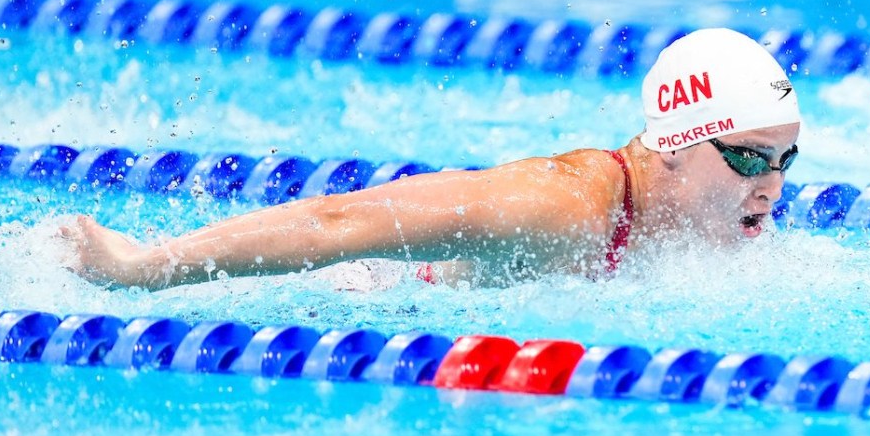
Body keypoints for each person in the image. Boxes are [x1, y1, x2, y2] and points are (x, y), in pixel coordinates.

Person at [61, 28, 801, 290]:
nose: (771, 186)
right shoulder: (562, 207)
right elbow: (335, 220)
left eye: (785, 161)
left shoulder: (705, 231)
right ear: (671, 145)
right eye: (747, 159)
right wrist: (144, 266)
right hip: (368, 295)